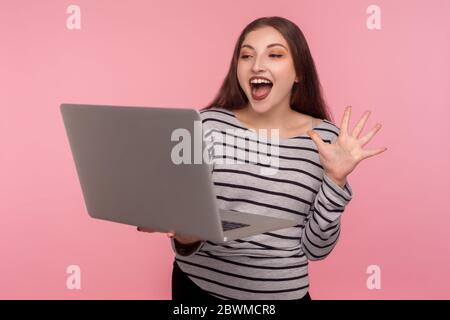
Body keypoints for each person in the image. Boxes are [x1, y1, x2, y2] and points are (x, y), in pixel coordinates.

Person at [138, 16, 386, 300]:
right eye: (246, 55)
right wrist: (184, 234)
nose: (256, 65)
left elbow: (316, 249)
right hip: (197, 289)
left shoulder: (328, 141)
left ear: (298, 73)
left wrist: (336, 179)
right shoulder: (205, 126)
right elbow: (187, 236)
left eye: (275, 54)